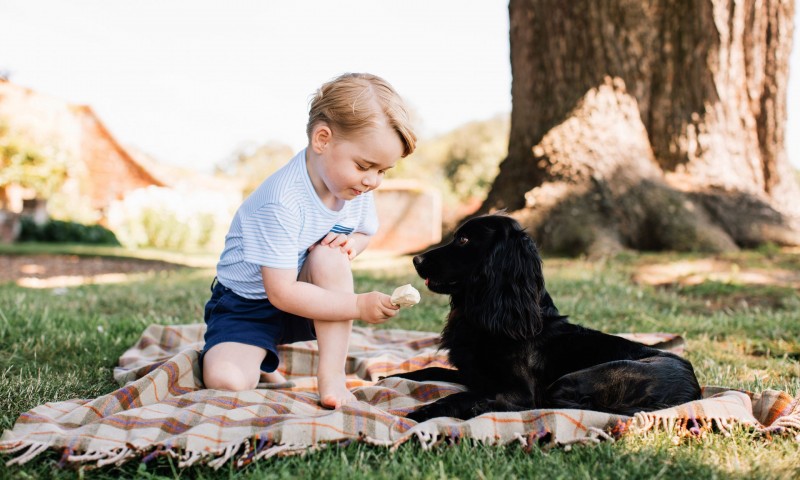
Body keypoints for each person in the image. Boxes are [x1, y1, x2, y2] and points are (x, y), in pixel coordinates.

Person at [201, 73, 417, 409]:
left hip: (308, 296)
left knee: (330, 258)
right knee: (227, 382)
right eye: (365, 165)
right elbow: (281, 292)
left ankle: (331, 378)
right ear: (322, 139)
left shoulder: (353, 186)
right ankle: (256, 354)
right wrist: (358, 305)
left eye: (383, 171)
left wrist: (351, 246)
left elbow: (363, 232)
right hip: (248, 305)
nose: (373, 180)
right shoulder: (281, 201)